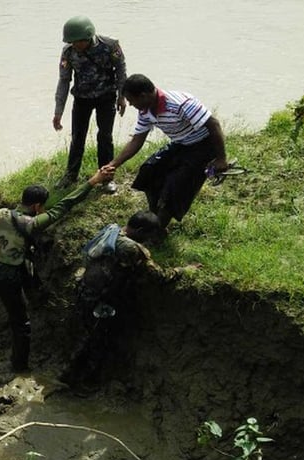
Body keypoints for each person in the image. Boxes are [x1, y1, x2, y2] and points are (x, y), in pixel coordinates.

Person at [0, 167, 114, 372]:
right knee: (22, 324)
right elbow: (66, 204)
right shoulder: (33, 223)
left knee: (24, 280)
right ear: (37, 206)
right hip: (7, 277)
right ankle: (19, 367)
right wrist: (93, 181)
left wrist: (1, 235)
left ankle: (34, 295)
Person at [104, 74, 229, 228]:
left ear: (143, 96)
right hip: (181, 143)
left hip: (203, 145)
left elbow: (213, 125)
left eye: (131, 100)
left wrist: (221, 158)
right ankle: (154, 218)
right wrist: (113, 164)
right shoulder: (145, 109)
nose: (130, 105)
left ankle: (157, 228)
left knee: (176, 184)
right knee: (148, 171)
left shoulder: (181, 104)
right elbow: (137, 140)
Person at [67, 211, 166, 391]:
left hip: (84, 291)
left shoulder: (111, 231)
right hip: (101, 301)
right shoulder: (131, 249)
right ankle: (85, 384)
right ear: (141, 230)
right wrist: (184, 269)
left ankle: (68, 373)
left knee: (86, 335)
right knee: (98, 341)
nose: (150, 239)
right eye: (149, 235)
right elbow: (158, 276)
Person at [53, 15, 126, 191]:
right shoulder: (68, 52)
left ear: (88, 36)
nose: (75, 46)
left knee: (105, 137)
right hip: (82, 98)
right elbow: (64, 80)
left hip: (106, 97)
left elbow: (121, 70)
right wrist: (58, 111)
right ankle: (71, 175)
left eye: (78, 42)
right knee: (78, 137)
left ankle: (107, 178)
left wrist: (122, 96)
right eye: (72, 42)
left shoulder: (110, 46)